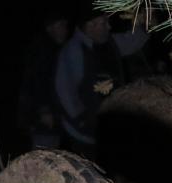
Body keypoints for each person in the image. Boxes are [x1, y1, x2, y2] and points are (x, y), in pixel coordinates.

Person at [54, 10, 148, 156]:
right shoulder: (74, 51)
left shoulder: (109, 43)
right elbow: (65, 90)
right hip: (84, 135)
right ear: (90, 26)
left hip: (109, 129)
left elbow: (131, 42)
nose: (109, 27)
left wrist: (145, 25)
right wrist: (83, 120)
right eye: (104, 23)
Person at [17, 10, 70, 149]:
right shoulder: (43, 49)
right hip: (42, 117)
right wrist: (44, 111)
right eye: (60, 26)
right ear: (49, 28)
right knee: (44, 154)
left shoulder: (57, 49)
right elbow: (38, 81)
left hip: (52, 115)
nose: (64, 30)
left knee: (52, 153)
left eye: (65, 25)